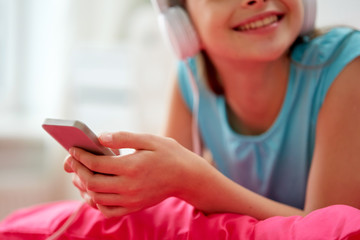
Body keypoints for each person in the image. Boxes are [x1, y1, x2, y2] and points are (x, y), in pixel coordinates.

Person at [2, 0, 360, 239]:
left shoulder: (345, 67)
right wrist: (124, 186)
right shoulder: (191, 77)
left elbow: (330, 229)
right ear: (181, 23)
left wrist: (194, 181)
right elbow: (167, 200)